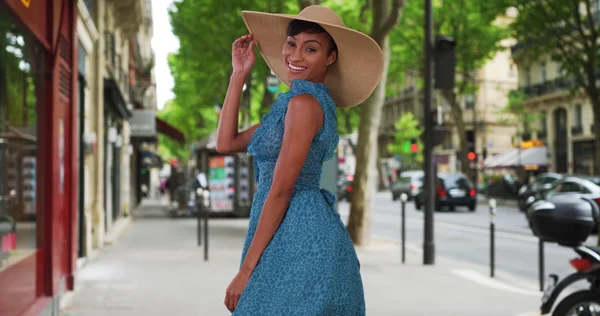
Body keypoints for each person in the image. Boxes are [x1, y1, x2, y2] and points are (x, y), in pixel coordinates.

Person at [216, 5, 383, 315]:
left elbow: (281, 189)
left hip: (302, 238)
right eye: (291, 44)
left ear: (330, 57)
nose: (295, 56)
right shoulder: (293, 105)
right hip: (286, 231)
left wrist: (245, 271)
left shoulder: (305, 105)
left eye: (311, 48)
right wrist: (238, 75)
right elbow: (226, 142)